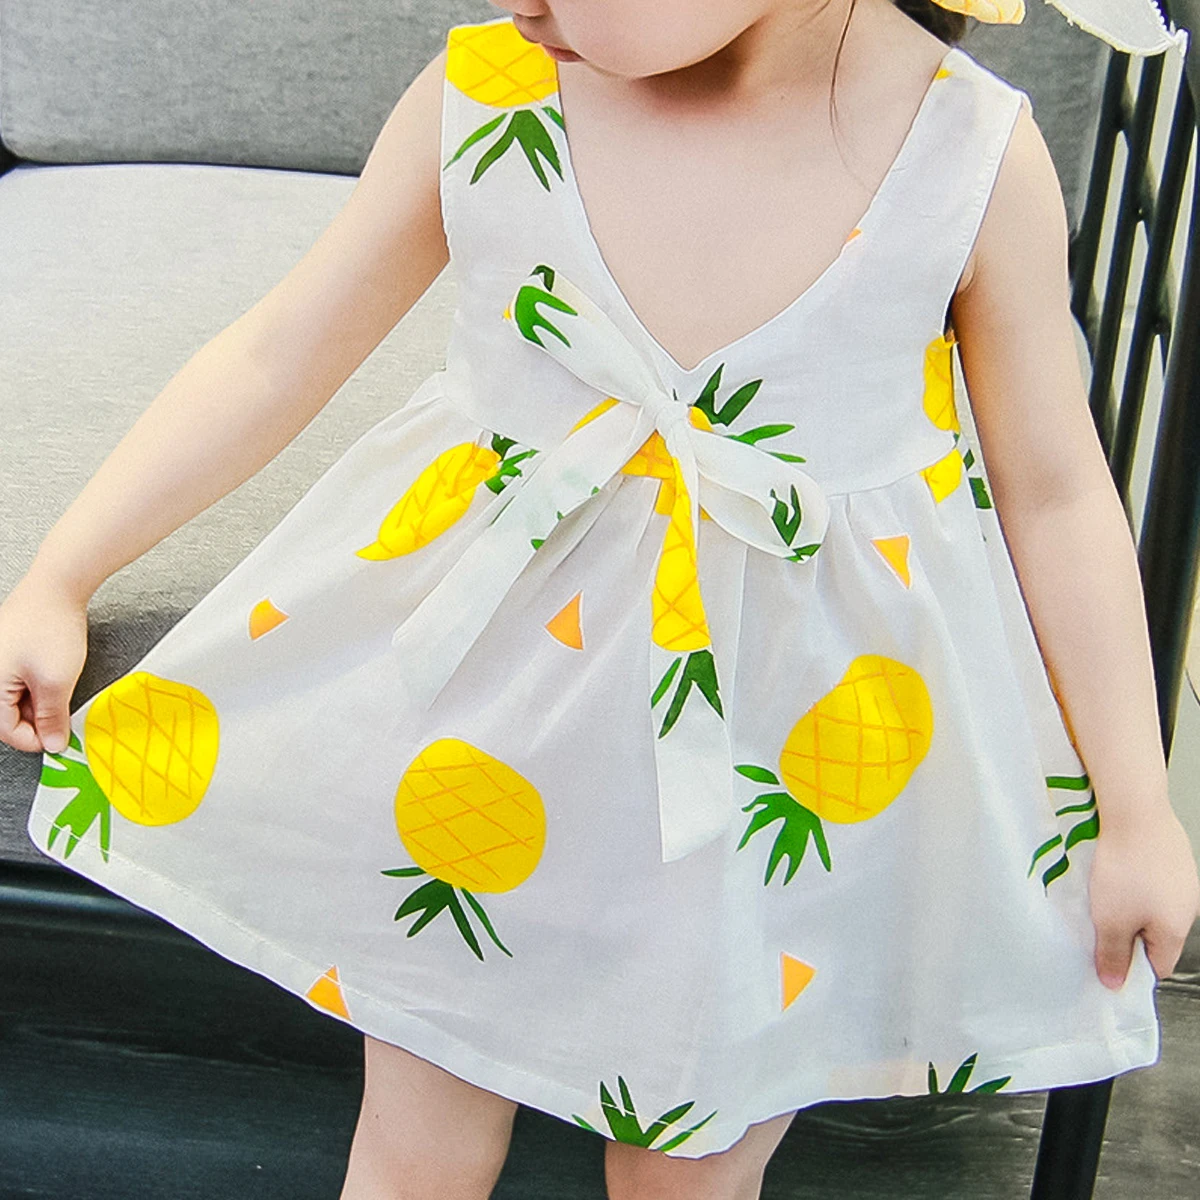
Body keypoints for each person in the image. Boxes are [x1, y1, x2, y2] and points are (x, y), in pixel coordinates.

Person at [4, 0, 1198, 1196]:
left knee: (687, 1173)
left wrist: (1137, 806)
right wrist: (64, 571)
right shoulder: (492, 94)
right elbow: (279, 353)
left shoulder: (969, 158)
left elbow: (1055, 493)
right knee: (418, 1149)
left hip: (768, 774)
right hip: (482, 744)